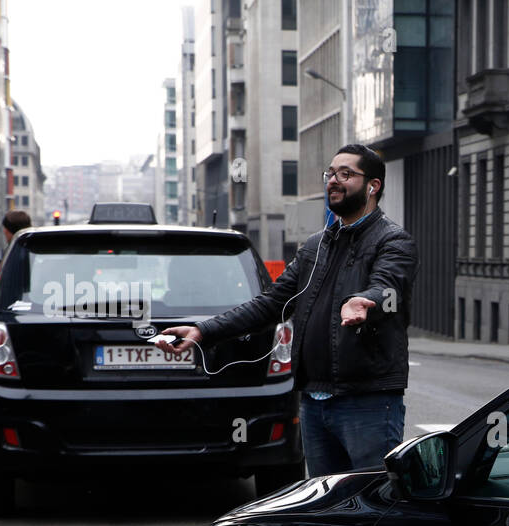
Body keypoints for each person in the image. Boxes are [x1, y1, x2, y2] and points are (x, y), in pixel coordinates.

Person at [158, 144, 418, 478]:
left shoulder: (393, 241)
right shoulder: (316, 246)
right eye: (330, 173)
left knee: (371, 506)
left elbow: (388, 286)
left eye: (346, 174)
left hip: (365, 402)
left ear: (373, 186)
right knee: (325, 509)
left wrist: (366, 301)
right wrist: (203, 331)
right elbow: (270, 303)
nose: (333, 181)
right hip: (313, 401)